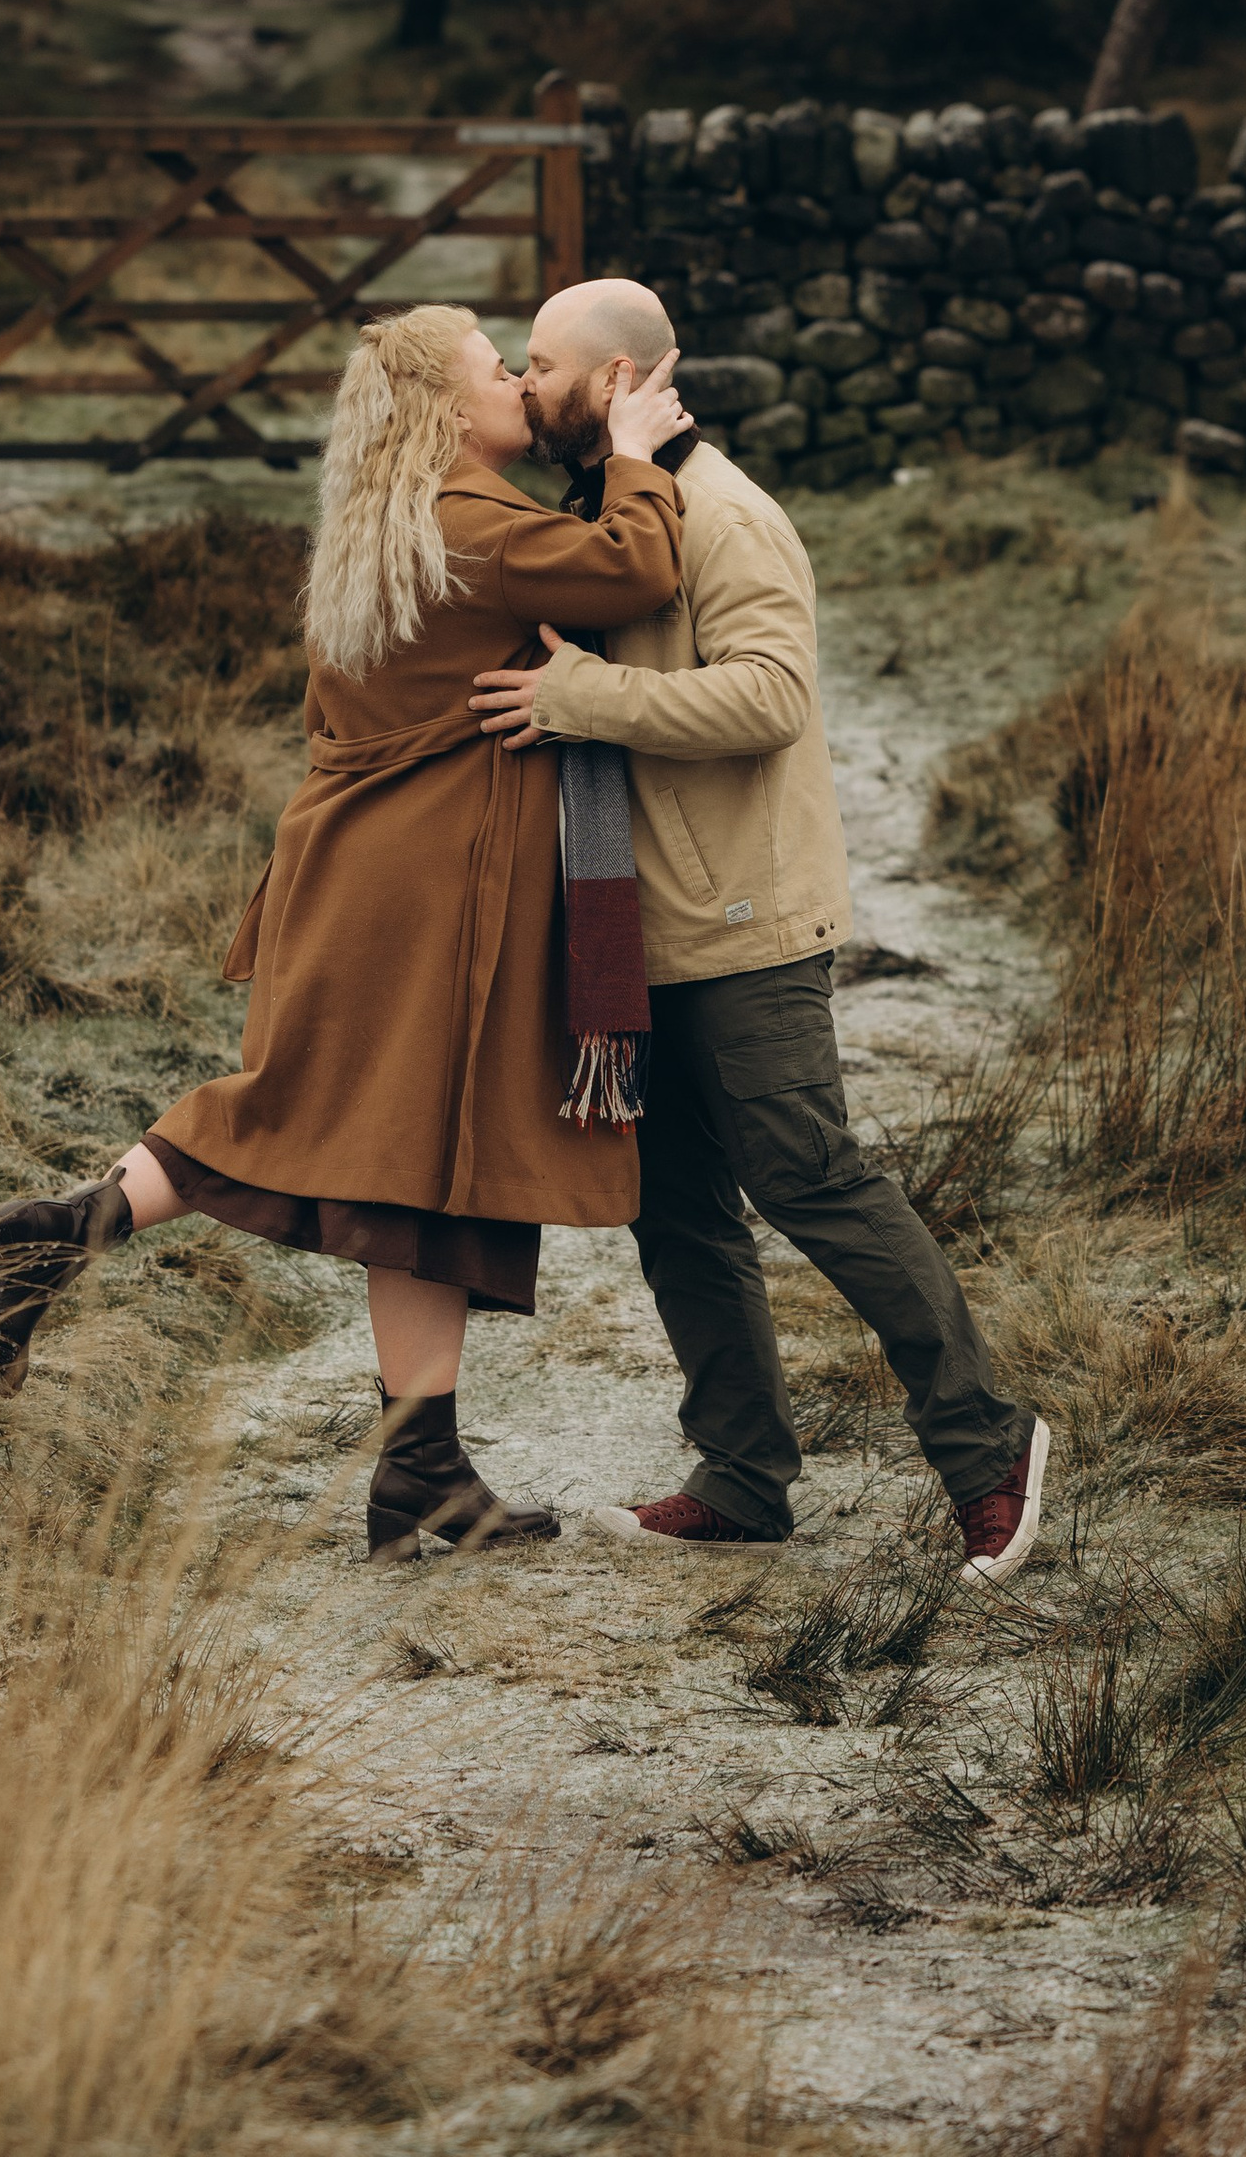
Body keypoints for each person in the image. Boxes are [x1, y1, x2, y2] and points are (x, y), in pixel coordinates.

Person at [0, 299, 694, 1560]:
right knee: (317, 1121)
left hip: (373, 876)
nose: (520, 385)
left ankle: (421, 1469)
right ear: (449, 415)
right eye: (495, 374)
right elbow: (637, 567)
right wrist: (628, 450)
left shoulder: (390, 525)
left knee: (409, 1164)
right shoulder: (476, 529)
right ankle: (63, 1233)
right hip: (420, 894)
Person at [470, 277, 1051, 1584]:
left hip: (744, 927)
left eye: (543, 364)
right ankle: (742, 1476)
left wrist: (578, 695)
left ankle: (989, 1448)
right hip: (641, 933)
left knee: (812, 1183)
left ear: (613, 381)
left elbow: (771, 699)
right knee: (679, 1214)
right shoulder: (616, 509)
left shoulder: (728, 515)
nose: (524, 380)